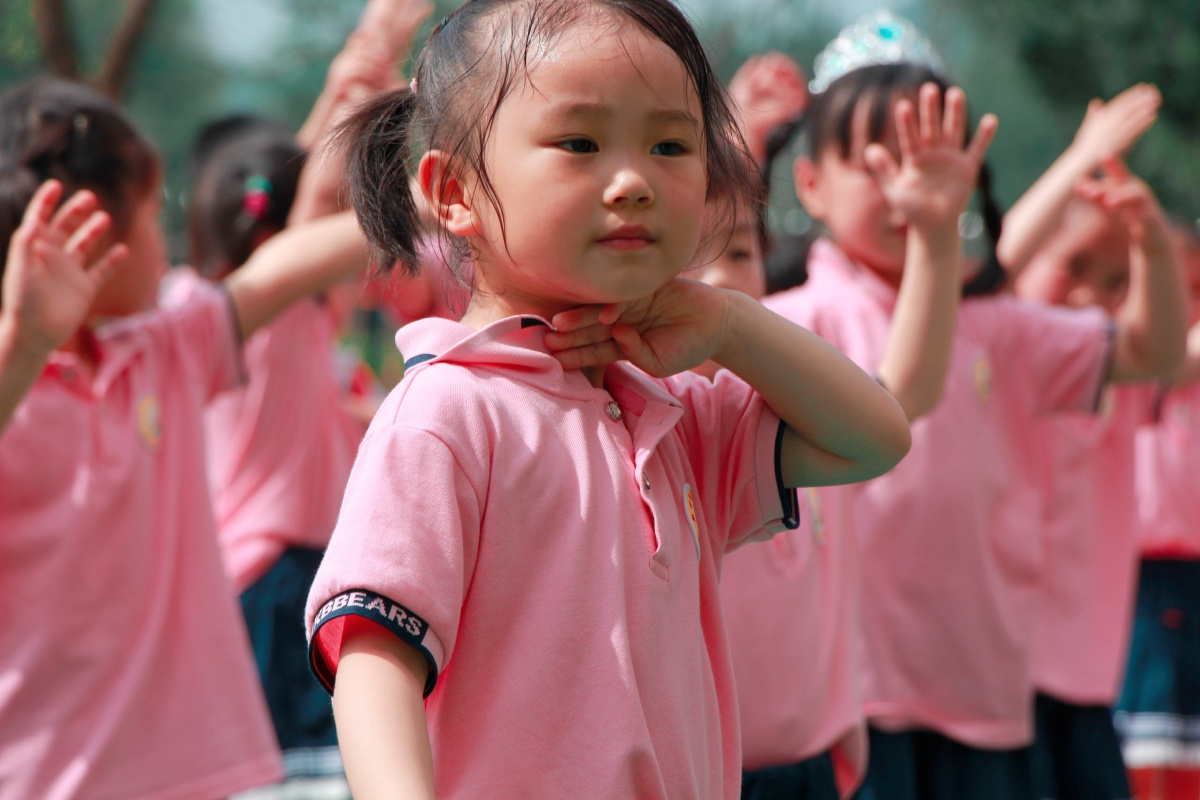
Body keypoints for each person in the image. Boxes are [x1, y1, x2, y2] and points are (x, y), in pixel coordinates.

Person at [301, 1, 913, 798]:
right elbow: (375, 657)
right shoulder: (447, 415)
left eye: (669, 144)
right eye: (580, 144)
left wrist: (729, 324)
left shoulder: (675, 408)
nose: (632, 182)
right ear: (453, 191)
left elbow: (874, 439)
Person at [761, 11, 1186, 800]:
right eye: (879, 162)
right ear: (811, 182)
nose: (907, 187)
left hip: (981, 691)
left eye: (930, 160)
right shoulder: (793, 325)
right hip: (848, 699)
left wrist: (1153, 248)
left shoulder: (1003, 328)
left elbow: (1150, 355)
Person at [0, 76, 369, 800]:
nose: (163, 228)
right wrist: (26, 345)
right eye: (151, 207)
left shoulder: (163, 351)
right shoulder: (16, 385)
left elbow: (284, 266)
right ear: (93, 228)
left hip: (196, 777)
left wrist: (450, 194)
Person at [1009, 157, 1179, 800]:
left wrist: (1154, 246)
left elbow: (1165, 345)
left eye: (1116, 283)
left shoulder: (1119, 372)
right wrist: (1080, 154)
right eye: (1073, 267)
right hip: (991, 680)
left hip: (1085, 681)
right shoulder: (988, 357)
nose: (1088, 297)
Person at [1114, 221, 1200, 800]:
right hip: (1152, 570)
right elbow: (1176, 360)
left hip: (1182, 570)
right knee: (1153, 734)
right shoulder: (1146, 337)